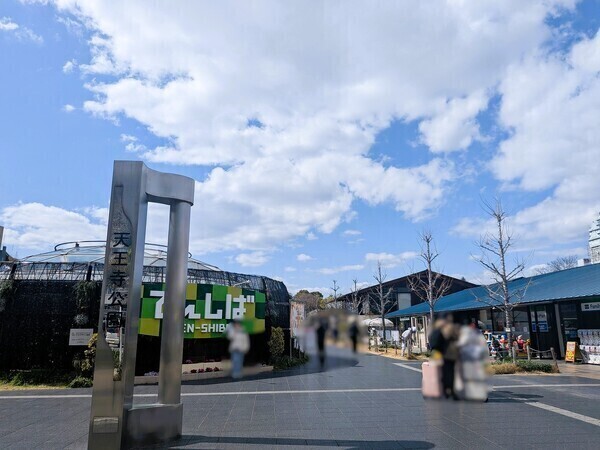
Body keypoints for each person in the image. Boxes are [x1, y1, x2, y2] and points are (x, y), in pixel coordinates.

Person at [429, 314, 460, 399]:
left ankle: (446, 391)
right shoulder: (441, 332)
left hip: (441, 354)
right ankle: (447, 391)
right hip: (443, 355)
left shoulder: (436, 331)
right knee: (447, 373)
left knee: (443, 373)